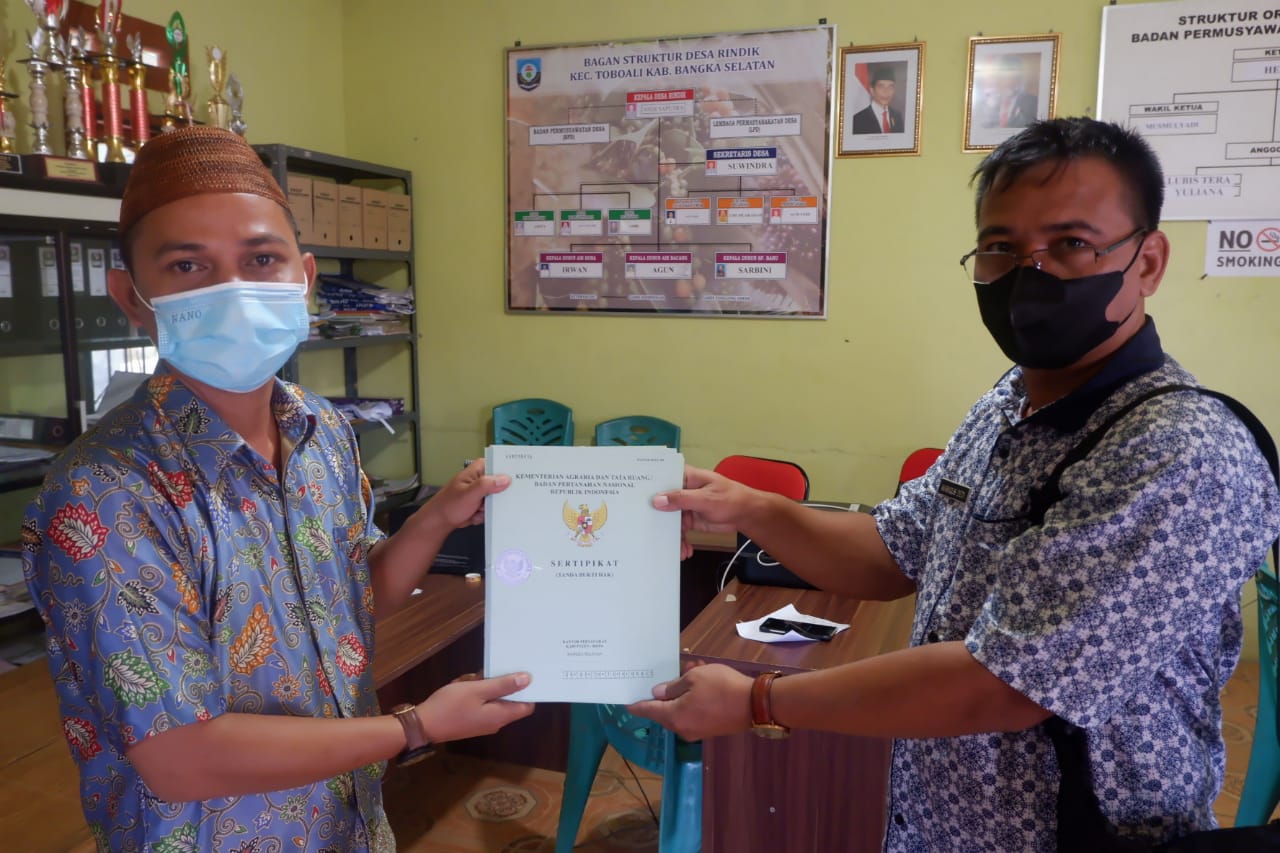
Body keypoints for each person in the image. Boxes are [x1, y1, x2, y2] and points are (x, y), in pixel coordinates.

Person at [630, 118, 1280, 850]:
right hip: (935, 825)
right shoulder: (1009, 401)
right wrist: (747, 507)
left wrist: (760, 699)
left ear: (1148, 260)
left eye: (1070, 244)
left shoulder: (1177, 452)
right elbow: (891, 549)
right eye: (1001, 247)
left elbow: (1002, 683)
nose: (1030, 274)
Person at [21, 126, 534, 852]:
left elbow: (350, 599)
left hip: (347, 823)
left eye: (261, 259)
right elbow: (179, 757)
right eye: (189, 265)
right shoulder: (106, 492)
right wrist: (414, 727)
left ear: (305, 277)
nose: (233, 290)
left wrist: (439, 516)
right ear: (132, 299)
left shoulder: (321, 430)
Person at [980, 54, 1039, 129]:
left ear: (1017, 77)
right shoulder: (987, 104)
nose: (998, 81)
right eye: (997, 76)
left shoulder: (1033, 102)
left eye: (1003, 76)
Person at [851, 65, 904, 134]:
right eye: (881, 86)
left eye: (890, 87)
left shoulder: (897, 116)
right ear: (872, 91)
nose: (886, 91)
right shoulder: (858, 120)